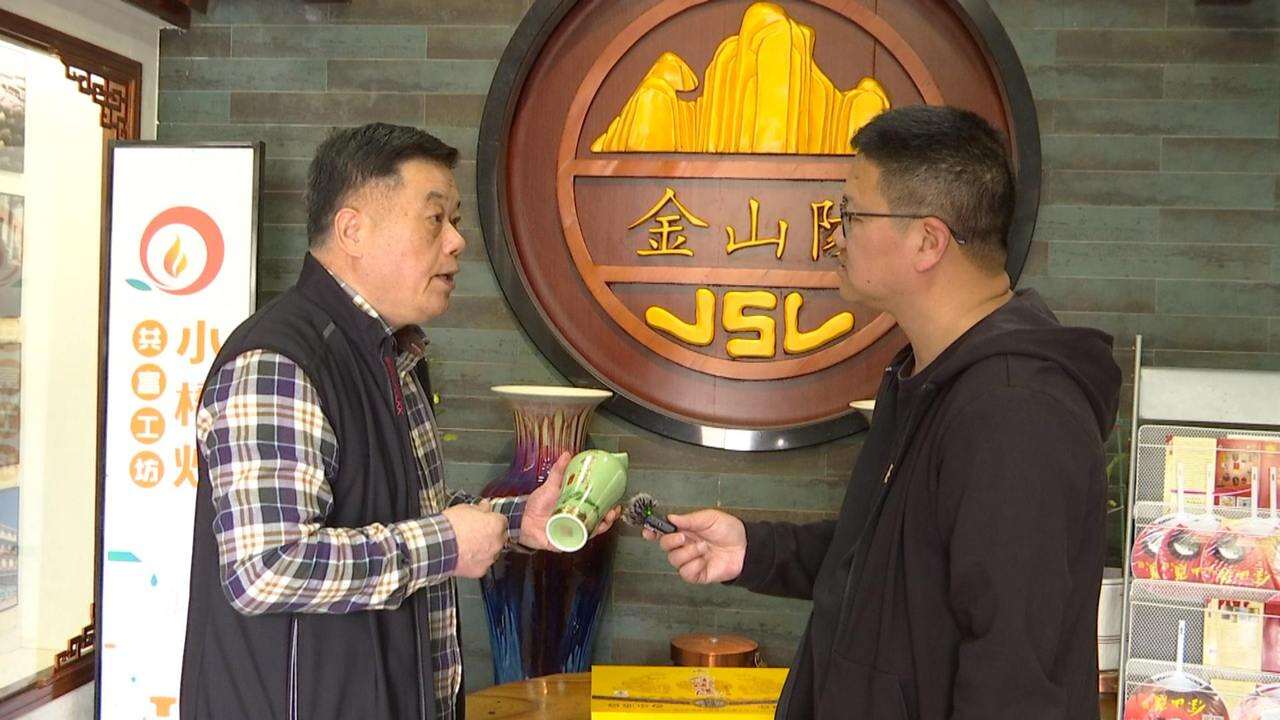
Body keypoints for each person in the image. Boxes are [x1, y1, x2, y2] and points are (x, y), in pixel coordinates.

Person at [645, 105, 1121, 719]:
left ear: (928, 241)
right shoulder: (926, 377)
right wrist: (753, 551)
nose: (834, 236)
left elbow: (1014, 681)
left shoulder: (1015, 413)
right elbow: (892, 564)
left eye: (851, 215)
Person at [180, 122, 618, 720]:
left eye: (454, 220)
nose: (458, 241)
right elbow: (267, 567)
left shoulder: (395, 355)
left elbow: (401, 510)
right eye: (435, 219)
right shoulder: (279, 362)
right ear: (352, 230)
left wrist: (520, 520)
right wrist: (446, 545)